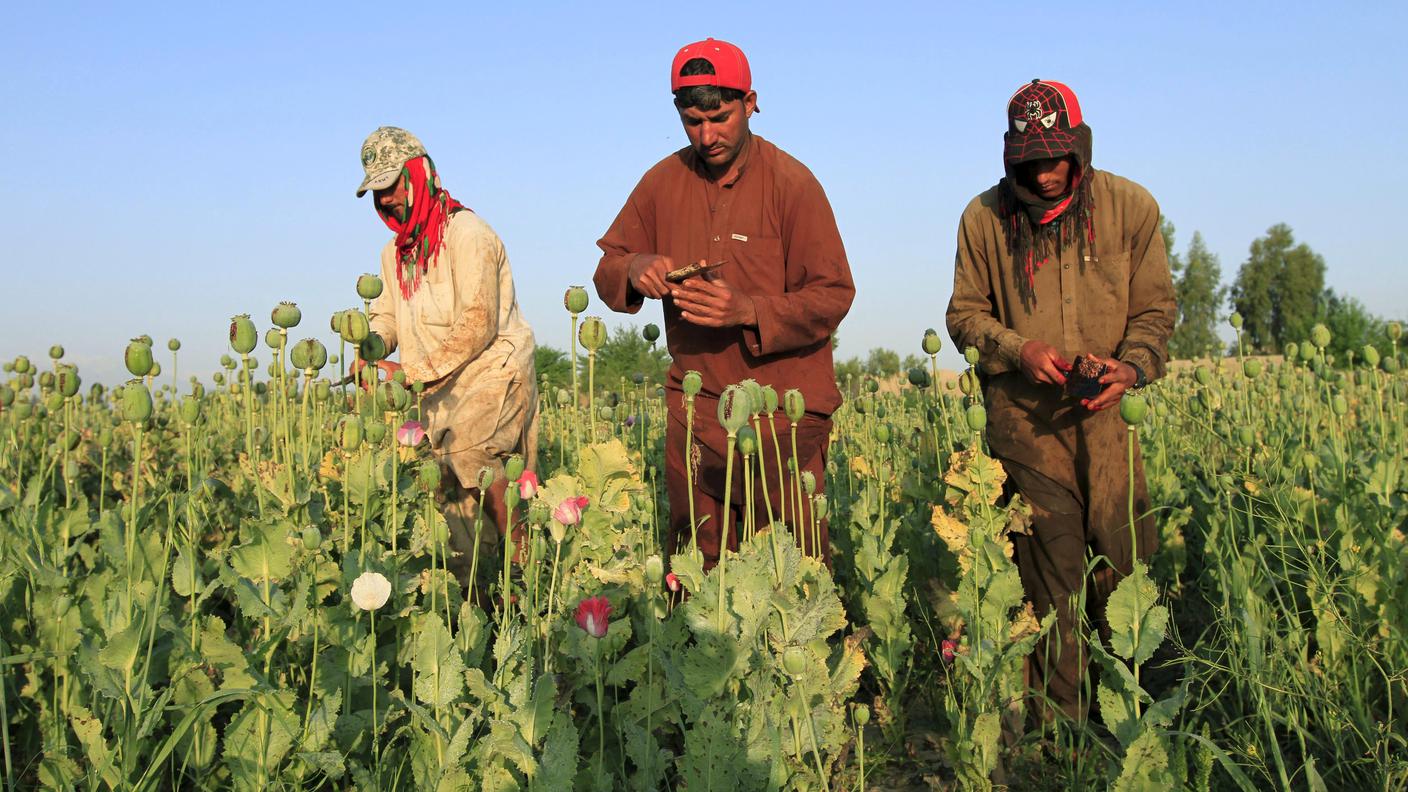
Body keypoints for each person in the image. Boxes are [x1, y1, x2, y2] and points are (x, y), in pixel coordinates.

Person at [945, 80, 1177, 720]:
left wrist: (1130, 369)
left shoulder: (1131, 208)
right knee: (1055, 585)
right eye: (1030, 161)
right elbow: (964, 315)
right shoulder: (984, 218)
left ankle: (1134, 723)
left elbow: (1156, 311)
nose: (1045, 175)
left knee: (1126, 577)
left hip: (1110, 430)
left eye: (1055, 158)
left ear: (1079, 149)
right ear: (1009, 158)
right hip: (1027, 430)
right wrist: (1020, 351)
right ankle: (1062, 735)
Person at [594, 38, 854, 567]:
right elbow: (607, 268)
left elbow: (834, 293)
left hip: (782, 416)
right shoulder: (662, 183)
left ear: (751, 102)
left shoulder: (793, 185)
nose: (707, 135)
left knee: (790, 574)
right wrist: (633, 268)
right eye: (693, 121)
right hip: (697, 413)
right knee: (697, 573)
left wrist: (749, 311)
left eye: (720, 117)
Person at [355, 126, 539, 581]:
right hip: (433, 385)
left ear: (419, 174)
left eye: (391, 187)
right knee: (445, 492)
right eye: (375, 193)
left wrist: (410, 372)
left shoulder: (467, 233)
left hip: (492, 368)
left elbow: (477, 324)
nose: (385, 201)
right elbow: (387, 318)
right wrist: (371, 346)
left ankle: (525, 565)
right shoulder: (393, 255)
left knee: (474, 456)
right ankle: (475, 588)